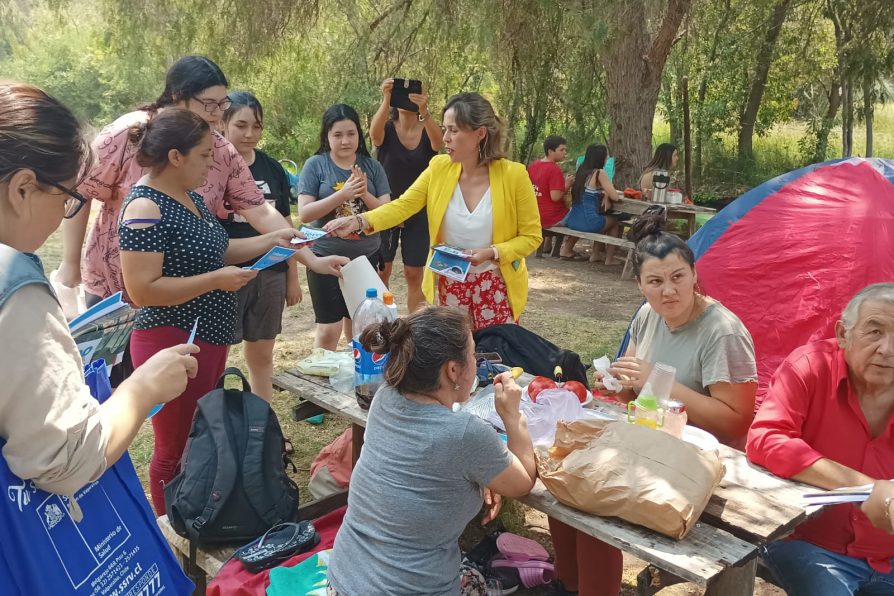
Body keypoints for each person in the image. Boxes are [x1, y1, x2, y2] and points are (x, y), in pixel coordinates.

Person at [0, 82, 198, 506]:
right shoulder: (14, 285)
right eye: (69, 196)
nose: (65, 214)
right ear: (22, 189)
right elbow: (64, 459)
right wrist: (142, 388)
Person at [548, 213, 758, 595]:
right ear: (640, 285)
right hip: (652, 442)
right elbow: (635, 393)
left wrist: (659, 380)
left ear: (695, 275)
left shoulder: (722, 331)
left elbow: (734, 424)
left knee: (598, 503)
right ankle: (570, 584)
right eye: (655, 282)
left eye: (678, 277)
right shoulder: (649, 315)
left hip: (702, 463)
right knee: (568, 484)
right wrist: (619, 383)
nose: (669, 291)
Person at [57, 54, 345, 312]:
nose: (217, 113)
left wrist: (312, 259)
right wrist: (70, 264)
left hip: (185, 294)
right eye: (208, 104)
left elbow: (260, 210)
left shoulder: (220, 149)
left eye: (223, 104)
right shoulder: (128, 133)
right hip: (114, 288)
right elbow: (81, 191)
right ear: (177, 96)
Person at [118, 109, 299, 515]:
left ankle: (195, 512)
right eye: (204, 155)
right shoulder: (144, 206)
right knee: (173, 447)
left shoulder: (191, 197)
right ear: (176, 156)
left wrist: (273, 237)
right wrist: (215, 281)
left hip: (207, 339)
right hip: (171, 341)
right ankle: (171, 533)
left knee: (197, 437)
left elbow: (220, 248)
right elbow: (142, 290)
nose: (212, 163)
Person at [327, 306, 537, 595]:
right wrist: (513, 416)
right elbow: (523, 481)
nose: (476, 362)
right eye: (473, 354)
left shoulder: (385, 398)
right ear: (453, 370)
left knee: (469, 575)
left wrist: (486, 469)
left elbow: (437, 457)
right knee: (474, 580)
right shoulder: (465, 433)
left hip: (343, 581)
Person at [325, 92, 542, 331]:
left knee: (497, 360)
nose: (445, 138)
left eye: (454, 131)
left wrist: (491, 253)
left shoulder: (514, 175)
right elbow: (403, 206)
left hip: (496, 285)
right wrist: (359, 221)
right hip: (449, 282)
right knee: (453, 360)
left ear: (479, 134)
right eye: (445, 129)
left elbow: (531, 237)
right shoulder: (439, 168)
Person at [747, 283, 894, 595]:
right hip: (806, 544)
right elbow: (766, 438)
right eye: (875, 331)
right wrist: (866, 489)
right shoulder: (810, 367)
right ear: (843, 334)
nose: (887, 349)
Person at [221, 91, 301, 401]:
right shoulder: (212, 167)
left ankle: (263, 426)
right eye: (241, 125)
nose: (249, 134)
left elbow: (284, 222)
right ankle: (214, 428)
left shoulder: (272, 169)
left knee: (262, 357)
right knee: (217, 359)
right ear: (224, 123)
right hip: (227, 274)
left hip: (271, 274)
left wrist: (292, 276)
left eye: (256, 126)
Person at [297, 104, 391, 350]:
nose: (345, 140)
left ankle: (356, 379)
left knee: (363, 326)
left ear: (359, 135)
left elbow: (387, 212)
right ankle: (318, 381)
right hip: (324, 256)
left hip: (365, 256)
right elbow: (305, 214)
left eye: (350, 133)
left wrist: (364, 192)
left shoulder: (372, 166)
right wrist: (344, 194)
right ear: (326, 136)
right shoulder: (315, 165)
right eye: (337, 135)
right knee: (329, 328)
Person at [369, 78, 444, 312]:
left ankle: (415, 328)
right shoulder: (388, 129)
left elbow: (439, 143)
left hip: (419, 211)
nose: (407, 97)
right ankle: (382, 325)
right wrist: (386, 99)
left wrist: (424, 111)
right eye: (401, 93)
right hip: (386, 207)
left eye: (414, 93)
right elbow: (374, 136)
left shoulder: (428, 128)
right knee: (382, 271)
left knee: (415, 273)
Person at [565, 144, 622, 264]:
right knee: (614, 222)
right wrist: (607, 193)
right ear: (601, 157)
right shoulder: (599, 173)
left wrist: (606, 193)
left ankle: (595, 255)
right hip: (588, 222)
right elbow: (615, 197)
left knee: (602, 219)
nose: (607, 158)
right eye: (606, 156)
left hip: (573, 220)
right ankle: (609, 258)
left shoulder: (581, 171)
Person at [528, 135, 575, 258]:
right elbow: (555, 197)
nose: (565, 153)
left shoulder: (534, 165)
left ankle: (548, 245)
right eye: (561, 150)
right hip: (551, 216)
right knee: (577, 214)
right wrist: (567, 184)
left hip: (534, 213)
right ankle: (567, 249)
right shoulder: (554, 170)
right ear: (550, 151)